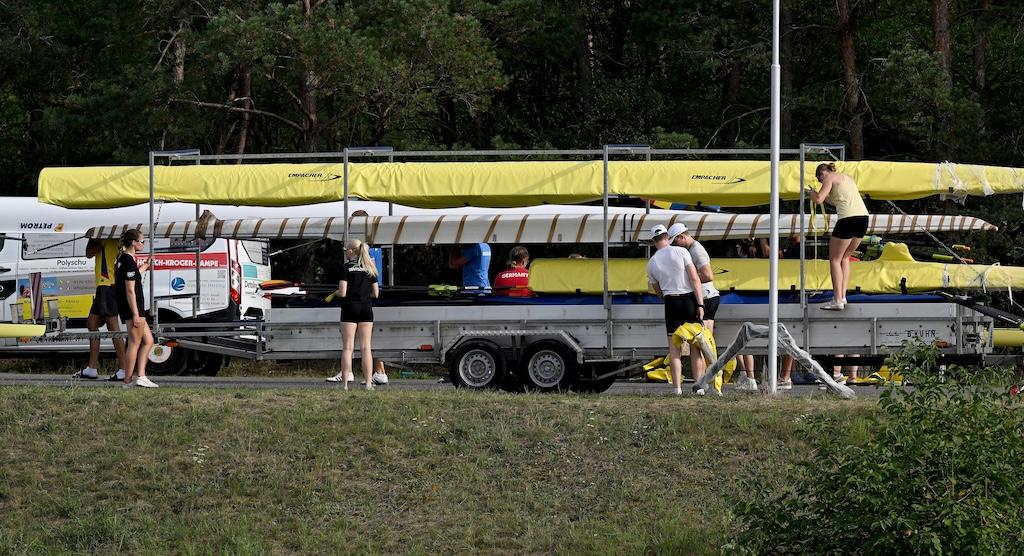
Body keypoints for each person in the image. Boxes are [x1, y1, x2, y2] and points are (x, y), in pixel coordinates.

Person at [646, 224, 704, 396]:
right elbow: (695, 279)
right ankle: (698, 386)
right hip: (688, 300)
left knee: (674, 349)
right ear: (667, 236)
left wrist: (666, 296)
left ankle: (677, 388)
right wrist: (700, 304)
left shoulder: (652, 262)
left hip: (671, 302)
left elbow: (657, 290)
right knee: (696, 346)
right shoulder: (682, 252)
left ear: (653, 241)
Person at [806, 162, 869, 310]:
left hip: (848, 219)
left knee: (834, 259)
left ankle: (837, 299)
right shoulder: (848, 178)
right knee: (845, 257)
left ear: (822, 173)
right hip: (863, 218)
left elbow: (819, 199)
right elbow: (834, 201)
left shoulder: (829, 178)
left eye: (820, 179)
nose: (822, 183)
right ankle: (843, 296)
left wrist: (810, 193)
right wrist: (819, 194)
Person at [327, 239, 380, 390]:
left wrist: (335, 293)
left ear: (352, 251)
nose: (345, 252)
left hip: (350, 307)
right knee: (366, 348)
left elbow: (343, 292)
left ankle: (345, 384)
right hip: (366, 308)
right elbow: (376, 294)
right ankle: (368, 384)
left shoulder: (346, 268)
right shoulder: (370, 267)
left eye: (346, 250)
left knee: (347, 348)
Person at [72, 238, 127, 381]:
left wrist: (97, 240)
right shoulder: (105, 236)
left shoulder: (110, 236)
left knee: (113, 327)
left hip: (107, 283)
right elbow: (89, 253)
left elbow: (90, 252)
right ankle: (92, 368)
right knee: (92, 324)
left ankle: (124, 369)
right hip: (104, 285)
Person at [114, 230, 157, 388]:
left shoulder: (123, 259)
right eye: (142, 241)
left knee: (149, 341)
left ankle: (141, 376)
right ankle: (127, 381)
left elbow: (132, 276)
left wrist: (146, 265)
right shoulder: (128, 261)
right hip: (133, 307)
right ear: (133, 242)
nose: (143, 244)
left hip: (133, 307)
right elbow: (130, 289)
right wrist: (136, 314)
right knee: (134, 343)